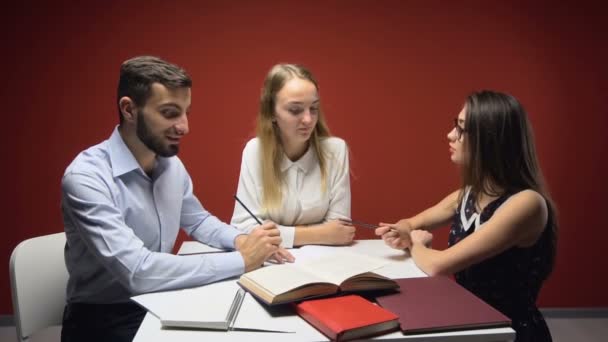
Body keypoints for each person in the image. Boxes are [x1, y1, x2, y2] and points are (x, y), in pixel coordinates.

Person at [60, 56, 282, 342]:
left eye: (186, 112)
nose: (184, 126)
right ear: (129, 109)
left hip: (159, 299)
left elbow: (198, 220)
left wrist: (242, 240)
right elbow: (138, 272)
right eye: (169, 113)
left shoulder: (169, 164)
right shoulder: (86, 177)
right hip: (101, 319)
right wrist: (242, 260)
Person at [376, 90, 557, 342]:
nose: (451, 135)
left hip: (509, 333)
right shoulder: (469, 194)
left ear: (490, 139)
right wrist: (402, 229)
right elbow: (411, 223)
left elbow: (438, 265)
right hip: (472, 322)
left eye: (461, 129)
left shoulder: (527, 204)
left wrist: (416, 243)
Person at [230, 64, 354, 248]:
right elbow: (243, 227)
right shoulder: (254, 151)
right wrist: (318, 234)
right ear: (271, 112)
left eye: (313, 108)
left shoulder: (335, 150)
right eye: (295, 110)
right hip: (271, 262)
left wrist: (281, 233)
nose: (308, 119)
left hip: (322, 262)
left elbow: (340, 230)